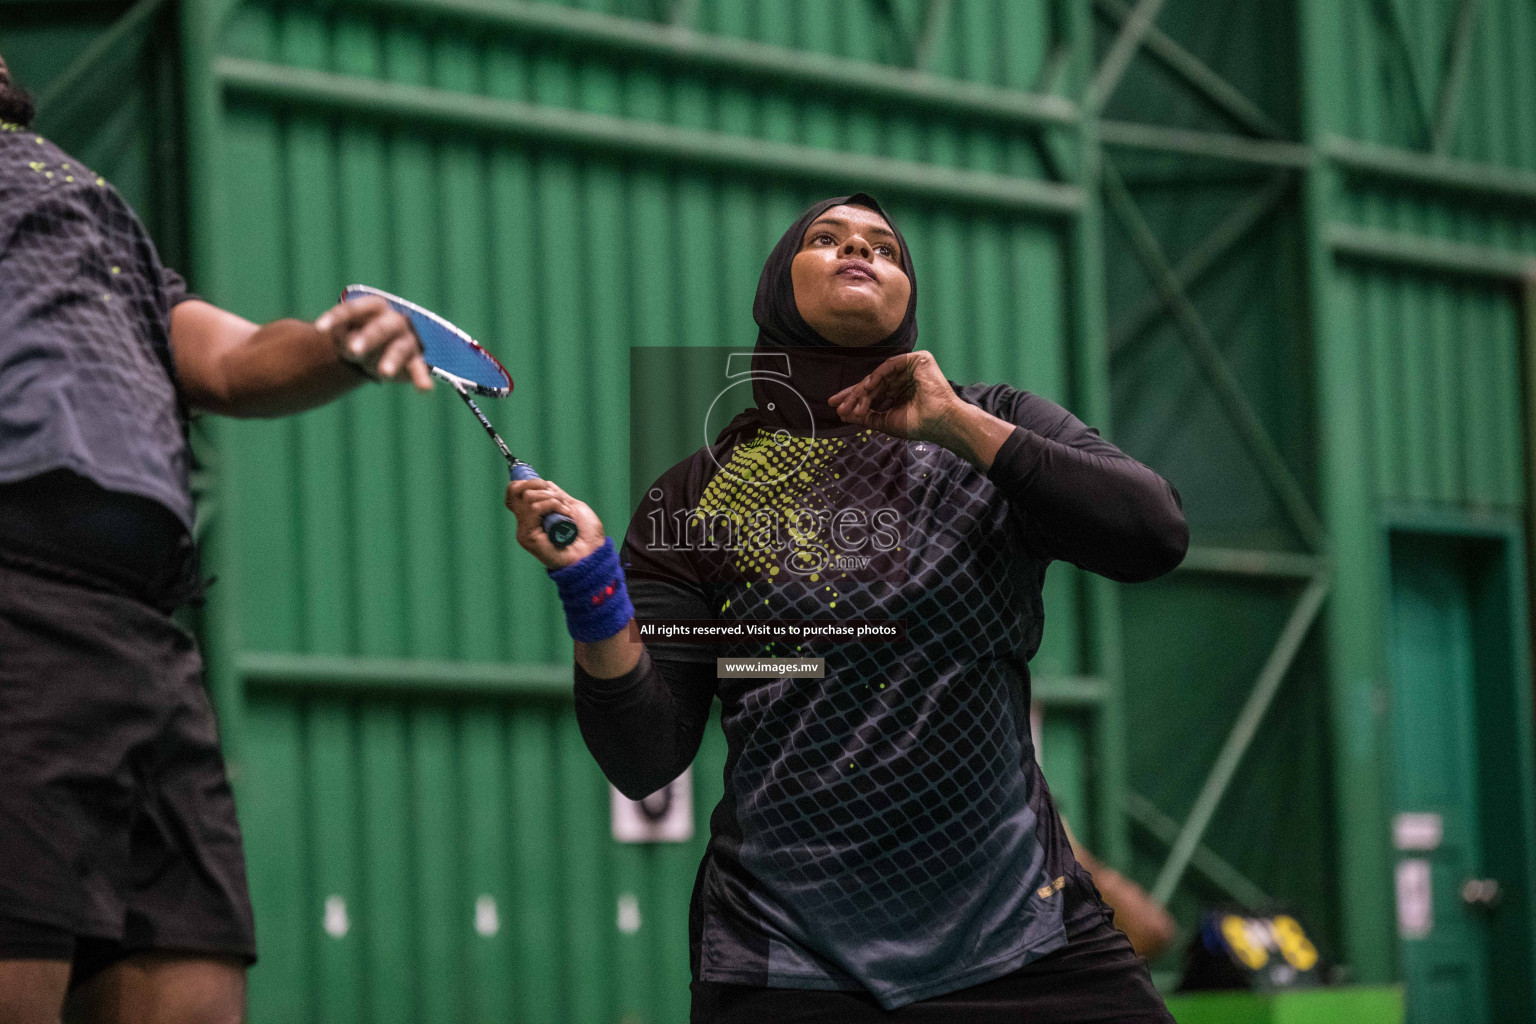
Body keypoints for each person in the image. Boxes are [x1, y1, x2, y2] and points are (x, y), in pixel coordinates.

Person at [505, 194, 1188, 1022]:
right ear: (776, 288)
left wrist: (953, 424)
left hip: (1020, 931)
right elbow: (645, 754)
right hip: (789, 948)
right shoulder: (694, 492)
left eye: (885, 248)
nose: (858, 250)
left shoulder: (994, 425)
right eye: (826, 239)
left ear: (908, 295)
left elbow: (1153, 534)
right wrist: (592, 587)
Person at [0, 55, 430, 1024]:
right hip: (16, 612)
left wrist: (339, 344)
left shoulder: (87, 197)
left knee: (195, 981)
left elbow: (232, 362)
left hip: (145, 644)